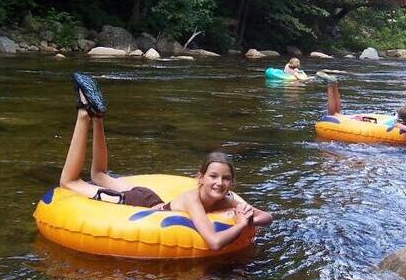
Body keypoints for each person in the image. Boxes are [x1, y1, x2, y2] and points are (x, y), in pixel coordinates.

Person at [60, 72, 272, 251]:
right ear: (200, 178)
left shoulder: (227, 198)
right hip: (134, 202)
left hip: (149, 197)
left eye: (226, 179)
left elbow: (267, 216)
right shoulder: (193, 199)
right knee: (69, 182)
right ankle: (83, 114)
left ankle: (98, 117)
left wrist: (248, 217)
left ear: (231, 183)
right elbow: (214, 242)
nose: (219, 183)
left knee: (99, 175)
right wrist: (241, 224)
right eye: (214, 176)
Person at [325, 80, 406, 145]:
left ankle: (333, 85)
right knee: (334, 114)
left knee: (336, 114)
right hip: (378, 125)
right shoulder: (397, 123)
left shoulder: (402, 122)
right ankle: (331, 86)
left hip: (379, 124)